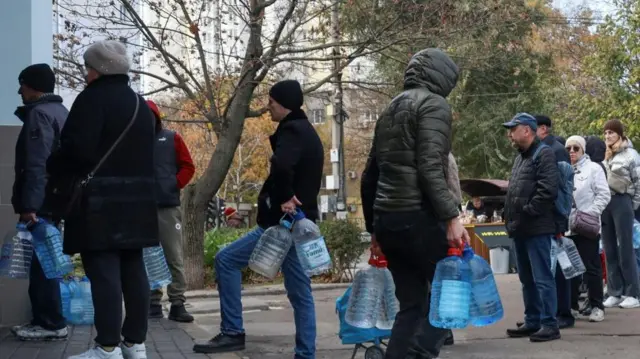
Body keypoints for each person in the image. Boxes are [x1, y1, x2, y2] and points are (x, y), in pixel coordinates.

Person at [193, 80, 324, 358]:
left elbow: (281, 165)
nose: (268, 108)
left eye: (272, 102)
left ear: (284, 104)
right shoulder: (307, 131)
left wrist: (286, 197)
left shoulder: (292, 129)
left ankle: (232, 332)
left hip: (282, 226)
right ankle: (306, 354)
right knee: (301, 295)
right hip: (299, 226)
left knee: (225, 260)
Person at [47, 40, 159, 359]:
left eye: (88, 67)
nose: (86, 73)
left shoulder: (91, 100)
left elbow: (77, 150)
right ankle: (135, 343)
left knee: (104, 270)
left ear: (97, 71)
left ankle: (107, 346)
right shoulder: (139, 104)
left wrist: (55, 163)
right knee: (133, 268)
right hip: (138, 199)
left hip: (101, 202)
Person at [361, 48, 469, 359]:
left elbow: (370, 176)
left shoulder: (389, 110)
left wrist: (374, 229)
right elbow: (430, 167)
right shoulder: (434, 105)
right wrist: (451, 217)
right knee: (449, 297)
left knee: (411, 305)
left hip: (388, 220)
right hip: (419, 217)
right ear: (442, 76)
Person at [10, 63, 69, 341]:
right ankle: (49, 321)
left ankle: (50, 323)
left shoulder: (39, 115)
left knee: (42, 265)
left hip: (41, 204)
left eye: (22, 84)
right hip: (55, 199)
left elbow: (36, 165)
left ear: (33, 86)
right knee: (47, 263)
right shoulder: (60, 112)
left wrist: (29, 206)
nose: (19, 90)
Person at [503, 113, 560, 342]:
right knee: (527, 279)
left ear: (527, 130)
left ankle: (549, 324)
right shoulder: (521, 157)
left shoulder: (543, 153)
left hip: (536, 228)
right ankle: (533, 320)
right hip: (520, 228)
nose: (509, 134)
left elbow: (547, 191)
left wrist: (526, 213)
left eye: (513, 129)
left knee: (542, 278)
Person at [146, 100, 196, 323]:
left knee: (173, 255)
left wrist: (174, 184)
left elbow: (188, 166)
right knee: (148, 257)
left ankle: (177, 303)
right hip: (141, 208)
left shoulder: (171, 138)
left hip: (167, 206)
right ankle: (153, 302)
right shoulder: (130, 143)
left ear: (156, 117)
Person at [564, 136, 610, 322]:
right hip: (567, 227)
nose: (572, 151)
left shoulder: (594, 169)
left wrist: (591, 213)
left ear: (583, 150)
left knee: (591, 266)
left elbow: (604, 194)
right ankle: (572, 304)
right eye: (568, 148)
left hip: (586, 225)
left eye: (576, 148)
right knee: (570, 268)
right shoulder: (563, 169)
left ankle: (597, 306)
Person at [535, 114, 574, 328]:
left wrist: (560, 219)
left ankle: (564, 313)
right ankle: (547, 313)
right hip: (544, 219)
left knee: (559, 267)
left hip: (554, 218)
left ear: (542, 129)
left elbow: (562, 189)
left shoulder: (556, 150)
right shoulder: (541, 149)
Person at [600, 119, 640, 309]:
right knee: (609, 248)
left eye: (612, 133)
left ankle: (632, 293)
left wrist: (633, 205)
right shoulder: (606, 155)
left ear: (620, 135)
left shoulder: (631, 154)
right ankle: (615, 291)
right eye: (606, 133)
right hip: (606, 202)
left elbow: (638, 181)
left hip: (623, 201)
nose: (608, 136)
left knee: (626, 247)